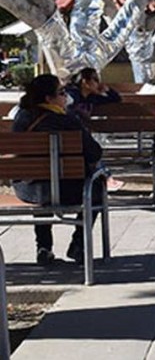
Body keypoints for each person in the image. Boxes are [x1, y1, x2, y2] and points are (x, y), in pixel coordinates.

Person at [12, 74, 104, 265]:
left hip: (28, 190)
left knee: (41, 181)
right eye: (61, 93)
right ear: (49, 99)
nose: (65, 97)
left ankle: (43, 247)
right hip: (68, 190)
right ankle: (78, 244)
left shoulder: (22, 118)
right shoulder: (68, 121)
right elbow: (94, 153)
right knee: (96, 189)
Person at [65, 67, 124, 191]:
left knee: (90, 148)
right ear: (85, 82)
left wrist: (107, 90)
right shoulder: (71, 94)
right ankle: (106, 177)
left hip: (80, 137)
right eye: (96, 79)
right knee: (90, 149)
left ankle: (106, 177)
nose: (99, 83)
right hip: (70, 137)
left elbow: (116, 100)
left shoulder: (92, 98)